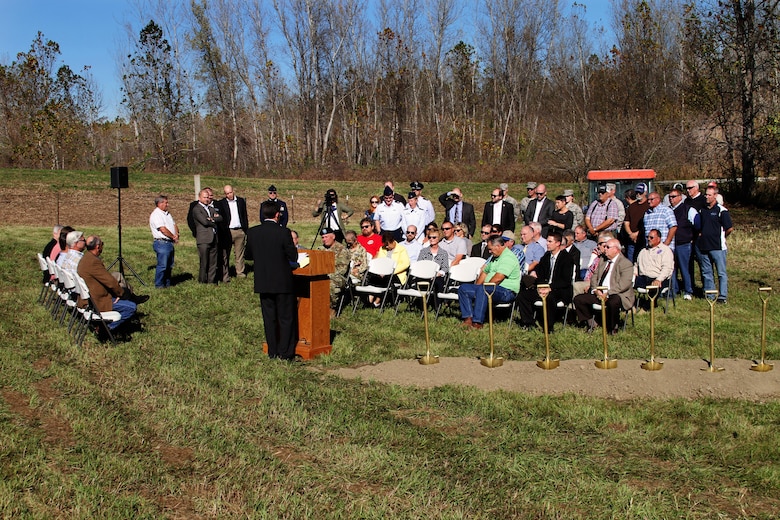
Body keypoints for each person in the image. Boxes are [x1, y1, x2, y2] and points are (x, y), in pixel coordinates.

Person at [247, 202, 299, 361]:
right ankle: (286, 352)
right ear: (277, 214)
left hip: (263, 281)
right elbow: (293, 256)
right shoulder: (283, 232)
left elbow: (248, 255)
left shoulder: (253, 232)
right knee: (286, 318)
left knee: (269, 319)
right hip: (282, 282)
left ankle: (272, 351)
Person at [457, 235, 520, 330]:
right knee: (464, 288)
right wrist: (476, 287)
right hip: (490, 288)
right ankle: (468, 318)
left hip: (506, 291)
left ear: (498, 246)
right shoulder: (495, 257)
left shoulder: (508, 258)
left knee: (484, 289)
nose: (489, 252)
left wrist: (481, 288)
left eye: (490, 249)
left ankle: (477, 322)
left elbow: (498, 278)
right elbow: (485, 272)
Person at [573, 238, 635, 335]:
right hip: (599, 292)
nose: (604, 249)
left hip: (617, 294)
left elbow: (624, 284)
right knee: (579, 299)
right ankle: (592, 323)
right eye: (604, 246)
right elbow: (594, 277)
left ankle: (612, 327)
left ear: (616, 249)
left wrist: (608, 293)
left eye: (607, 247)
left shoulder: (626, 264)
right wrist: (596, 290)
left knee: (613, 302)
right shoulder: (603, 260)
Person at [516, 230, 575, 332]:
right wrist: (541, 286)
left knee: (549, 298)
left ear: (558, 243)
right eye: (547, 241)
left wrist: (550, 287)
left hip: (559, 290)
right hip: (543, 287)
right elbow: (540, 274)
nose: (547, 244)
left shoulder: (567, 258)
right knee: (523, 295)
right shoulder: (546, 256)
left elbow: (565, 280)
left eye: (550, 242)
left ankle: (548, 327)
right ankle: (529, 323)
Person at [77, 235, 137, 332]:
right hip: (97, 301)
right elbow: (110, 281)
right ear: (98, 246)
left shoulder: (86, 258)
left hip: (86, 299)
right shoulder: (93, 262)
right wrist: (120, 293)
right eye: (102, 244)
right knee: (131, 307)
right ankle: (106, 329)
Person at [694, 186, 733, 304]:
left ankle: (722, 296)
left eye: (709, 195)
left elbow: (729, 228)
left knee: (721, 273)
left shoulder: (722, 211)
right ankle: (710, 295)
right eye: (706, 194)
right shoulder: (702, 211)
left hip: (718, 248)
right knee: (707, 272)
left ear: (715, 196)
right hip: (704, 247)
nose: (706, 197)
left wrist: (721, 237)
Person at [634, 228, 674, 311]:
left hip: (659, 278)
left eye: (651, 237)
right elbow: (636, 265)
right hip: (643, 277)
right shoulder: (643, 251)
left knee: (654, 285)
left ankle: (646, 308)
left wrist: (659, 279)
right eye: (647, 237)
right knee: (625, 284)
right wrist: (633, 274)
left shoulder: (665, 250)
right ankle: (630, 306)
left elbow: (667, 268)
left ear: (658, 239)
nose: (648, 239)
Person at [367, 232, 410, 306]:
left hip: (396, 274)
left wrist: (390, 271)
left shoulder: (401, 249)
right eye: (385, 245)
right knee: (373, 278)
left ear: (392, 241)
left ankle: (377, 301)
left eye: (387, 245)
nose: (386, 247)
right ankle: (370, 299)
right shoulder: (382, 249)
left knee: (384, 279)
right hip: (382, 273)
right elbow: (379, 262)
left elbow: (405, 264)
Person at [215, 185, 249, 281]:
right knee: (225, 254)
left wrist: (245, 230)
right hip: (227, 231)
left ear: (233, 191)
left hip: (239, 230)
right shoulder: (221, 203)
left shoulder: (241, 201)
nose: (229, 195)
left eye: (230, 192)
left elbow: (244, 216)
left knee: (239, 254)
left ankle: (240, 273)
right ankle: (225, 274)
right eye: (226, 193)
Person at [670, 187, 698, 300]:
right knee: (672, 268)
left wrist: (692, 238)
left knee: (685, 268)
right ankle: (674, 289)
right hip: (671, 244)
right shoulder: (668, 210)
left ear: (680, 197)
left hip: (684, 244)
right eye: (670, 197)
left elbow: (697, 225)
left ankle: (688, 290)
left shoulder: (688, 209)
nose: (671, 199)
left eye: (673, 197)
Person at [193, 188, 223, 284]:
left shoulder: (210, 208)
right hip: (204, 239)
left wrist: (212, 219)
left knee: (213, 262)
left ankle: (212, 281)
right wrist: (214, 220)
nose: (206, 199)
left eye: (207, 197)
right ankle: (202, 281)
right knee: (204, 262)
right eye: (204, 197)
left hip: (214, 238)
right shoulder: (197, 209)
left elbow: (221, 218)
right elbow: (204, 222)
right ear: (199, 197)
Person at [149, 194, 179, 288]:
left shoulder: (167, 214)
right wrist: (173, 236)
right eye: (165, 202)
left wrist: (176, 233)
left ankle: (167, 283)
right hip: (162, 243)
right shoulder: (156, 215)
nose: (167, 204)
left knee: (169, 265)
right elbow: (163, 229)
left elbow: (174, 224)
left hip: (169, 242)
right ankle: (159, 285)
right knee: (163, 266)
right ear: (159, 203)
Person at [318, 228, 351, 308]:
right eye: (323, 237)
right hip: (321, 275)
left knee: (329, 284)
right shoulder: (320, 249)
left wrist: (327, 275)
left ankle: (332, 307)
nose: (324, 239)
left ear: (333, 236)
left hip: (338, 277)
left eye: (326, 237)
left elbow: (342, 269)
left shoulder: (341, 250)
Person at [417, 229, 449, 294]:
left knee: (437, 281)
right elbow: (419, 264)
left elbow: (445, 267)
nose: (431, 239)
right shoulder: (423, 251)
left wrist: (438, 274)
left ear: (438, 238)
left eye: (434, 237)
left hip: (437, 276)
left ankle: (436, 302)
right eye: (429, 237)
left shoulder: (443, 253)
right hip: (424, 275)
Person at [622, 185, 649, 262]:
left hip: (643, 239)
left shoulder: (648, 205)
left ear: (645, 192)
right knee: (631, 262)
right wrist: (630, 234)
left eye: (640, 193)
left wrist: (637, 234)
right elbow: (626, 222)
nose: (638, 194)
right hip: (631, 240)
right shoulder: (631, 206)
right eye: (637, 192)